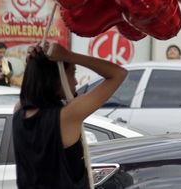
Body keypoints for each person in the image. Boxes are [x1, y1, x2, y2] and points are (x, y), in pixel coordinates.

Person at [12, 41, 127, 189]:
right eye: (73, 73)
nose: (76, 81)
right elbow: (118, 74)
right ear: (56, 78)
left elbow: (34, 84)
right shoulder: (66, 117)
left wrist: (35, 63)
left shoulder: (18, 113)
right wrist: (70, 56)